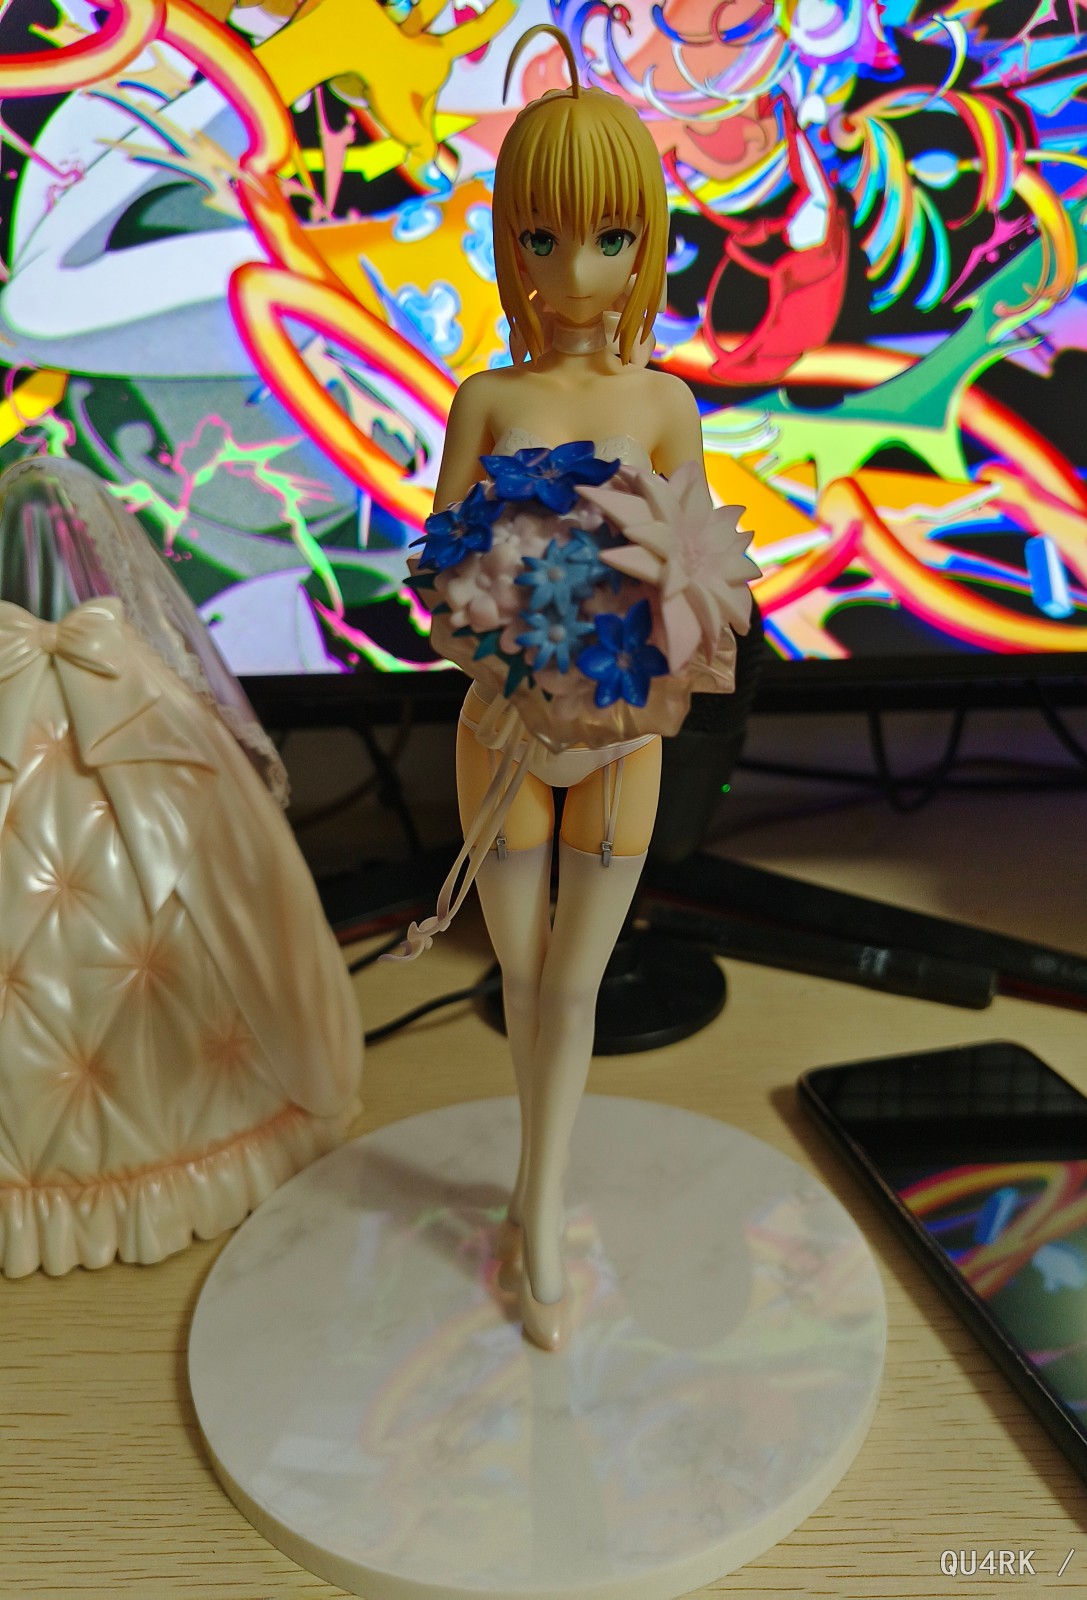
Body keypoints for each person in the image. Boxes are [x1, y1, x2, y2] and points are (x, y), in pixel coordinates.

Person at [429, 24, 737, 1352]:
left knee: (575, 987)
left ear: (644, 241)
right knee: (521, 980)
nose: (574, 273)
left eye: (608, 239)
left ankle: (541, 1212)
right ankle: (533, 1201)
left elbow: (700, 577)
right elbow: (438, 579)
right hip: (500, 732)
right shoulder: (486, 397)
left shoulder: (667, 406)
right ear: (512, 244)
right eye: (543, 240)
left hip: (621, 740)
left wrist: (648, 651)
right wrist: (504, 656)